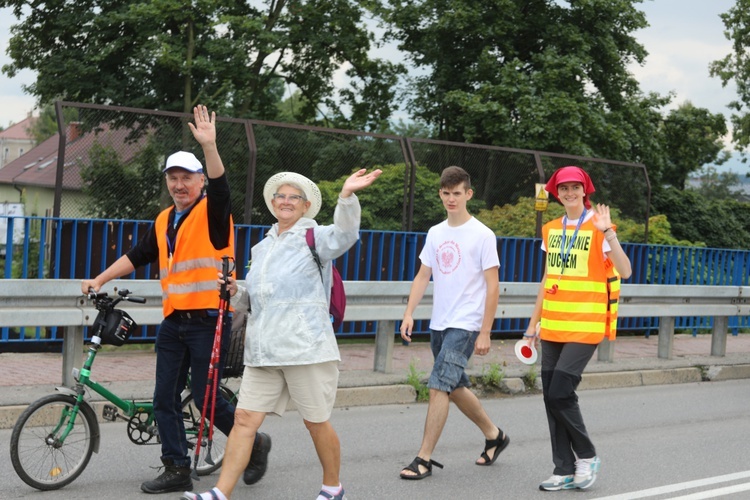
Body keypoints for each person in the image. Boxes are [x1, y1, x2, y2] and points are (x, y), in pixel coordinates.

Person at [80, 105, 271, 494]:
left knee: (204, 396)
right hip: (174, 321)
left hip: (207, 319)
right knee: (163, 397)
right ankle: (177, 467)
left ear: (199, 180)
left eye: (187, 177)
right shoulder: (165, 218)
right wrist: (99, 278)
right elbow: (138, 256)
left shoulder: (213, 211)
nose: (179, 184)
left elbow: (222, 187)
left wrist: (210, 147)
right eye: (173, 178)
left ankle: (253, 444)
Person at [183, 167, 382, 500]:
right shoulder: (261, 248)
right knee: (244, 419)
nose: (286, 201)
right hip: (263, 350)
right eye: (281, 196)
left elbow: (346, 234)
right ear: (273, 202)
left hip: (305, 348)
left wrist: (346, 197)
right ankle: (220, 492)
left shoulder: (314, 237)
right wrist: (236, 291)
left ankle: (333, 488)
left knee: (315, 421)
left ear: (305, 207)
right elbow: (258, 300)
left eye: (294, 197)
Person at [398, 166, 510, 481]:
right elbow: (423, 275)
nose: (451, 199)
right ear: (440, 194)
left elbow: (493, 286)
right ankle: (494, 434)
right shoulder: (435, 233)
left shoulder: (483, 235)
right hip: (439, 323)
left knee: (438, 386)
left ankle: (424, 458)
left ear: (468, 194)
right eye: (446, 193)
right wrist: (409, 312)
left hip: (466, 324)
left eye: (457, 193)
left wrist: (485, 330)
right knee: (454, 386)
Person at [525, 166, 632, 492]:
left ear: (585, 190)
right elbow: (547, 279)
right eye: (563, 187)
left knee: (560, 392)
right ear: (556, 192)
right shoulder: (551, 229)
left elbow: (625, 271)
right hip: (554, 324)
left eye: (575, 187)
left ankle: (586, 455)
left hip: (586, 324)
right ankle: (563, 469)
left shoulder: (599, 226)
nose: (569, 192)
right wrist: (532, 325)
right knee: (550, 396)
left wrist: (609, 232)